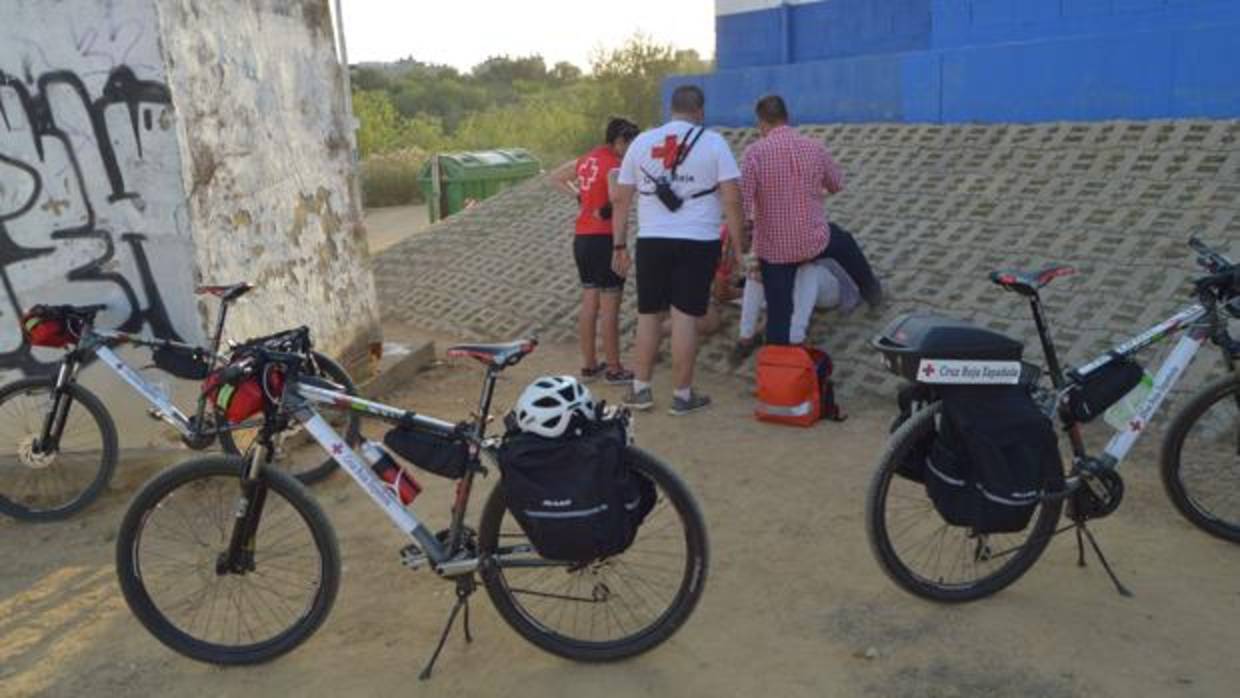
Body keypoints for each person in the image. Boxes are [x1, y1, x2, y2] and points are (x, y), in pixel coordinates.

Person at [610, 85, 746, 415]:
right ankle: (682, 396)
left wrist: (619, 246)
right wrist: (741, 251)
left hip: (652, 240)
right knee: (685, 317)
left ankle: (641, 390)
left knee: (648, 316)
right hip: (699, 241)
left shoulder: (642, 142)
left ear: (670, 109)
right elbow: (731, 199)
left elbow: (621, 199)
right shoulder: (714, 143)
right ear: (700, 111)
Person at [741, 94, 882, 346]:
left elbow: (743, 202)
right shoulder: (815, 147)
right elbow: (837, 184)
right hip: (813, 240)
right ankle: (871, 289)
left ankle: (777, 355)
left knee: (778, 309)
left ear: (761, 123)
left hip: (775, 251)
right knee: (844, 241)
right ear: (787, 117)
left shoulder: (754, 153)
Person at [550, 117, 640, 384]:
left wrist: (580, 197)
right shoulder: (614, 165)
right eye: (630, 143)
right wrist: (619, 244)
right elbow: (616, 198)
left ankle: (589, 365)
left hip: (582, 239)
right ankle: (614, 368)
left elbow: (555, 178)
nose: (632, 149)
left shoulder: (587, 159)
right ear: (620, 141)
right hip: (605, 240)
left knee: (590, 301)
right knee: (610, 306)